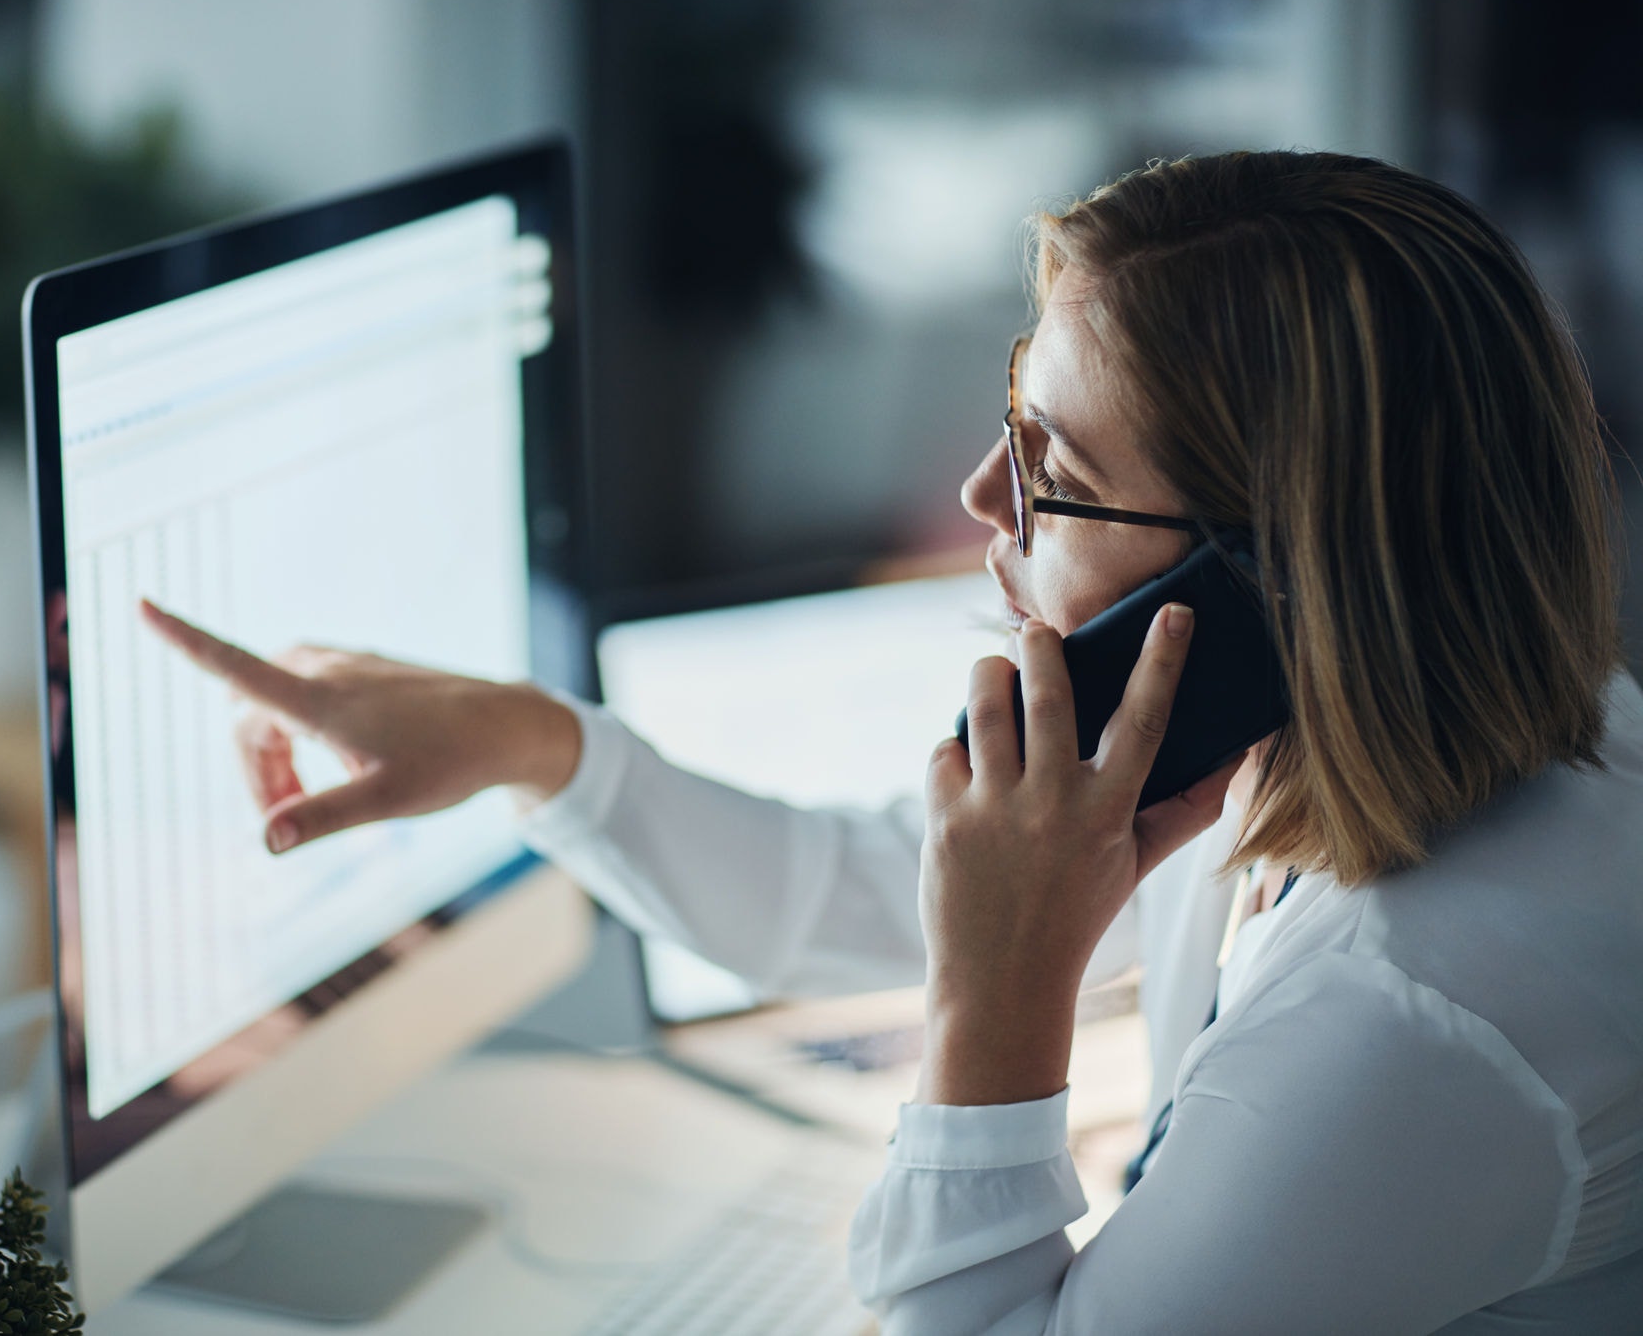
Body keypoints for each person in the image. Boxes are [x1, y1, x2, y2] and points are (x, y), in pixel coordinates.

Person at [140, 151, 1643, 1332]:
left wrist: (1003, 997)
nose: (983, 498)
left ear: (1264, 584)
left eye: (1052, 471)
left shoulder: (1424, 1021)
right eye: (1010, 417)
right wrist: (539, 746)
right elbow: (861, 886)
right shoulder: (1339, 741)